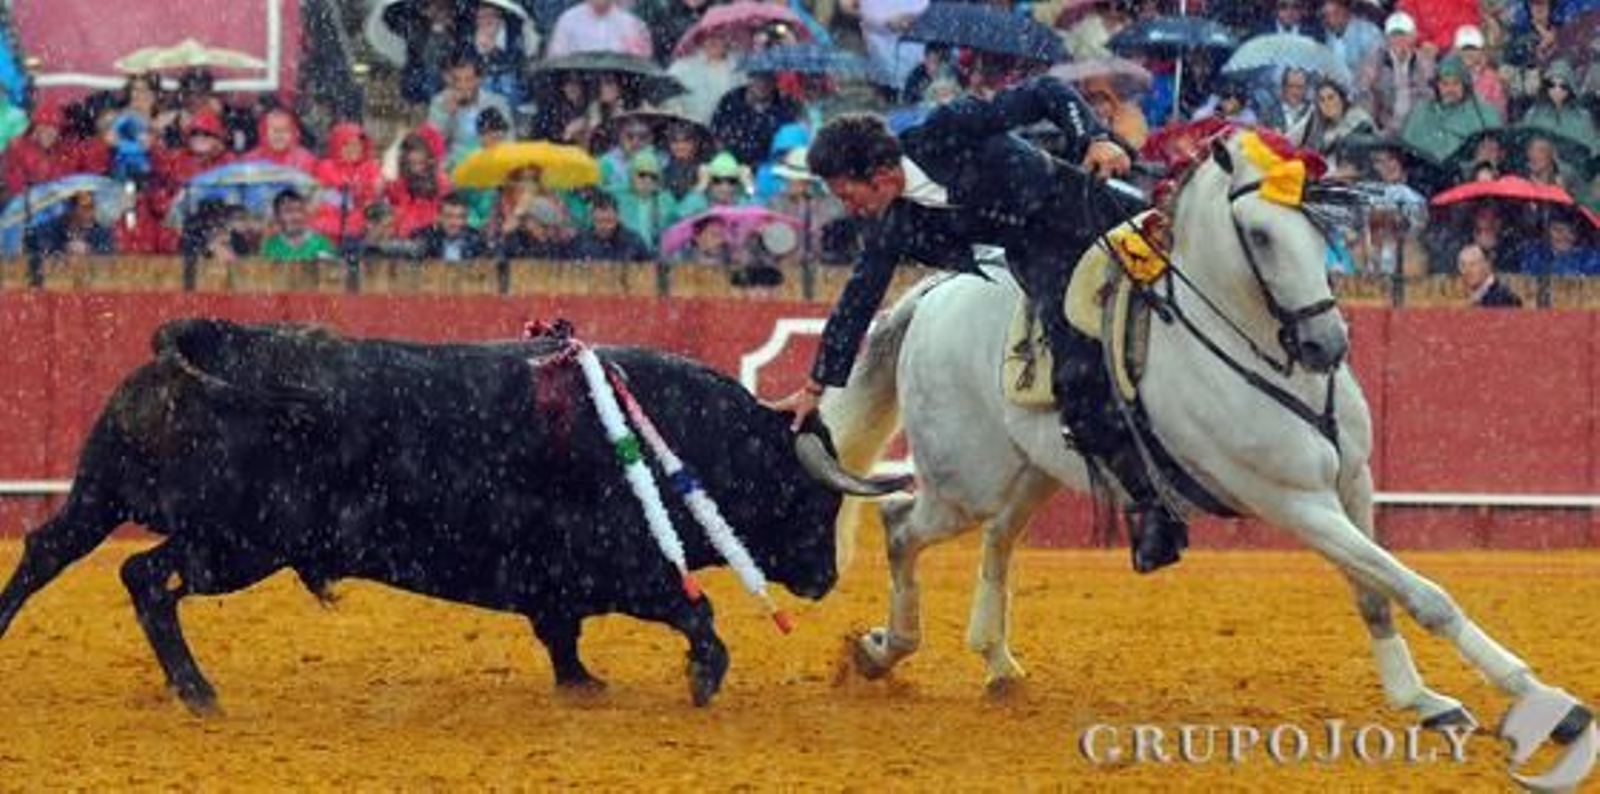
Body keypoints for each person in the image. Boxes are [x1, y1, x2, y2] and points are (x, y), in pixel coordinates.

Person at [767, 76, 1194, 573]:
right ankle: (1152, 506)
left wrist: (1093, 137)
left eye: (847, 193)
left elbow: (1045, 92)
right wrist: (815, 387)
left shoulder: (945, 129)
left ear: (879, 175)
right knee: (1076, 379)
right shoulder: (891, 224)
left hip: (1094, 211)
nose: (847, 206)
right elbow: (857, 301)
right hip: (1044, 265)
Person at [427, 52, 514, 167]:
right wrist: (445, 115)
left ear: (479, 79)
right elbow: (431, 147)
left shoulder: (498, 103)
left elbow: (509, 143)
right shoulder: (439, 102)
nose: (462, 86)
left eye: (468, 79)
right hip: (454, 168)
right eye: (457, 79)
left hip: (489, 166)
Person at [571, 192, 653, 261]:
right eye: (599, 221)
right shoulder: (581, 242)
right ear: (592, 218)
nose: (604, 226)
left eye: (609, 221)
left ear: (617, 217)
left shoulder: (635, 241)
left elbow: (650, 272)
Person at [261, 189, 336, 262]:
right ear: (277, 216)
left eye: (299, 210)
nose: (295, 216)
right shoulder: (270, 246)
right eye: (288, 211)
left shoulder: (320, 243)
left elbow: (330, 271)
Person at [410, 192, 489, 261]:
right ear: (438, 217)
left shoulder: (477, 240)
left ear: (465, 219)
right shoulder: (424, 236)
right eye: (448, 216)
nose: (454, 222)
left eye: (459, 217)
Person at [33, 191, 115, 257]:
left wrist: (88, 250)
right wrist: (64, 249)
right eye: (85, 208)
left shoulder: (101, 231)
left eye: (92, 207)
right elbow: (41, 251)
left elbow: (111, 254)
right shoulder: (50, 228)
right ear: (71, 209)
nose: (91, 212)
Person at [1457, 242, 1522, 306]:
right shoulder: (1471, 298)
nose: (1467, 270)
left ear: (1487, 265)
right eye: (1463, 265)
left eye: (1473, 264)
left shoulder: (1504, 299)